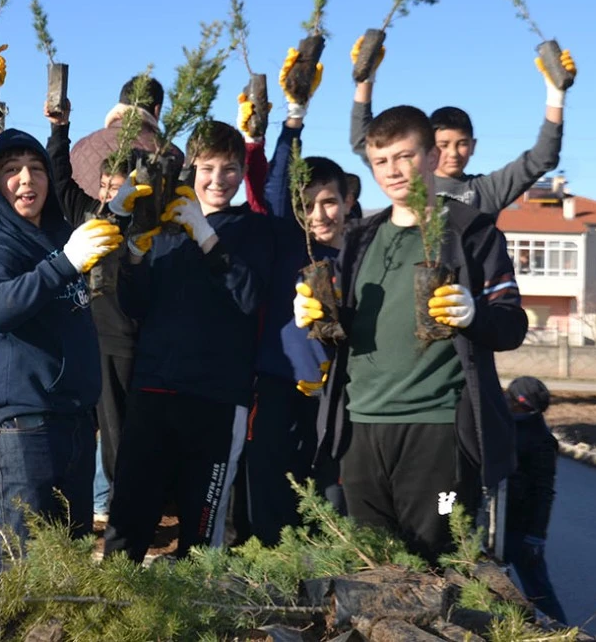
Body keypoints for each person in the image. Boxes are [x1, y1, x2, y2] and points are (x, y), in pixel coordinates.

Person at [299, 104, 526, 563]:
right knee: (369, 563)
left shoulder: (472, 232)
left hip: (438, 431)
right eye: (381, 161)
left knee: (436, 560)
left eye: (404, 157)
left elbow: (512, 325)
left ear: (430, 157)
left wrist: (472, 313)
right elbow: (348, 336)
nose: (393, 171)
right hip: (361, 428)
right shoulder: (359, 239)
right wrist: (316, 319)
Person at [0, 128, 123, 580]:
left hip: (72, 420)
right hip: (19, 426)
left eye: (35, 169)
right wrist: (65, 262)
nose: (26, 179)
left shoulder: (58, 235)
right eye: (11, 170)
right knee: (17, 563)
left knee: (67, 560)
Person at [103, 120, 273, 562]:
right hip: (154, 388)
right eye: (208, 167)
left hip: (217, 399)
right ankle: (113, 609)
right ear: (190, 170)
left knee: (202, 526)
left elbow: (249, 296)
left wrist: (208, 237)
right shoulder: (167, 226)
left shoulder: (253, 231)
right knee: (130, 513)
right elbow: (136, 306)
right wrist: (137, 255)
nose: (218, 179)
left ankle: (198, 613)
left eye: (230, 169)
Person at [236, 51, 360, 541]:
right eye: (308, 205)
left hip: (339, 398)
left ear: (347, 199)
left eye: (329, 201)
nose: (321, 214)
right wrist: (293, 119)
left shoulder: (363, 252)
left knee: (329, 494)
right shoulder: (290, 240)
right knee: (269, 485)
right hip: (279, 385)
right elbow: (274, 184)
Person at [44, 97, 151, 523]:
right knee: (78, 421)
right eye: (105, 186)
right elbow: (59, 177)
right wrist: (58, 130)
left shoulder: (138, 225)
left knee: (116, 427)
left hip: (117, 335)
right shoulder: (87, 214)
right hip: (77, 333)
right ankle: (86, 501)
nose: (109, 194)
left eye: (117, 187)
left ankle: (117, 503)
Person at [348, 38, 577, 217]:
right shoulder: (407, 179)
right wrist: (365, 79)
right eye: (444, 145)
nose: (453, 154)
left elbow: (543, 157)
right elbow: (363, 140)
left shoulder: (486, 191)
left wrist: (556, 94)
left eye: (462, 144)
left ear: (473, 145)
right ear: (430, 149)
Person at [502, 377, 567, 623]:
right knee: (493, 586)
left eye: (510, 396)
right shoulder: (504, 425)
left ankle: (563, 635)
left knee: (539, 593)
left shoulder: (540, 440)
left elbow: (544, 491)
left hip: (521, 529)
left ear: (521, 404)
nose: (505, 399)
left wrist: (536, 535)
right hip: (496, 523)